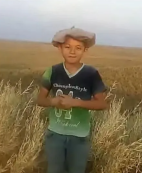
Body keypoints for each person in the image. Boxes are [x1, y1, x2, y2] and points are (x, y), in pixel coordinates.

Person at [36, 27, 108, 173]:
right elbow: (40, 100)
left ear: (85, 50)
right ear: (60, 49)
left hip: (80, 137)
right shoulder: (53, 71)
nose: (72, 51)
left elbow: (102, 104)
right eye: (67, 47)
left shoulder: (91, 74)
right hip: (55, 135)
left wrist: (75, 102)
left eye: (78, 48)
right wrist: (54, 102)